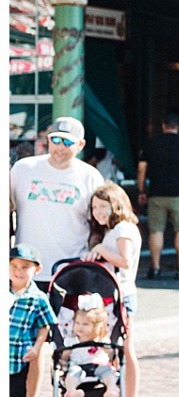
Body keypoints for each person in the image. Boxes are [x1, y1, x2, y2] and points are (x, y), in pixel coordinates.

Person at [9, 116, 104, 283]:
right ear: (48, 140)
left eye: (67, 142)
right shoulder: (23, 169)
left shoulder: (90, 177)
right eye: (56, 140)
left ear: (80, 145)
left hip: (71, 269)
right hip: (26, 270)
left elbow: (98, 224)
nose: (60, 147)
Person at [81, 185, 143, 397]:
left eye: (103, 206)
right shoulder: (110, 230)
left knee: (126, 349)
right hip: (109, 294)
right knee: (113, 352)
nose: (98, 212)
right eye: (94, 207)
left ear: (115, 205)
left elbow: (124, 260)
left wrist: (99, 251)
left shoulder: (123, 228)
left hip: (122, 295)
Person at [137, 113, 179, 281]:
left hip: (156, 193)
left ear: (163, 125)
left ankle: (155, 268)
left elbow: (141, 169)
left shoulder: (150, 144)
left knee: (156, 230)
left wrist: (141, 190)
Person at [9, 245, 56, 397]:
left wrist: (37, 347)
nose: (18, 272)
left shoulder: (38, 298)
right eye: (14, 266)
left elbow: (44, 326)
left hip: (19, 356)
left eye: (24, 267)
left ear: (36, 270)